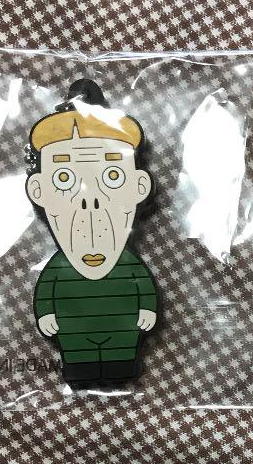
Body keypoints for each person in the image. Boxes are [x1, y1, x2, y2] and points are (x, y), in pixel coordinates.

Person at [26, 79, 158, 387]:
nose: (90, 199)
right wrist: (46, 313)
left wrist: (148, 307)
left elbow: (142, 283)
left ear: (140, 185)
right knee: (78, 355)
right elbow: (46, 290)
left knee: (122, 355)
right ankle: (80, 371)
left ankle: (121, 368)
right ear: (38, 189)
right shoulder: (59, 267)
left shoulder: (128, 263)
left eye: (112, 175)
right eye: (63, 177)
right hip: (74, 329)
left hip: (123, 327)